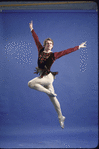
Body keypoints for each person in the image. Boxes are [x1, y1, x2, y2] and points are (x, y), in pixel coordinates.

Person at [28, 21, 87, 129]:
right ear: (45, 44)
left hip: (48, 78)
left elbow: (66, 51)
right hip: (42, 76)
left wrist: (78, 47)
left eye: (51, 44)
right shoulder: (40, 50)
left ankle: (49, 92)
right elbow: (36, 40)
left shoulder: (54, 55)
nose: (49, 45)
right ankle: (61, 117)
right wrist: (32, 29)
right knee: (53, 99)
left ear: (52, 46)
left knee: (30, 83)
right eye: (47, 43)